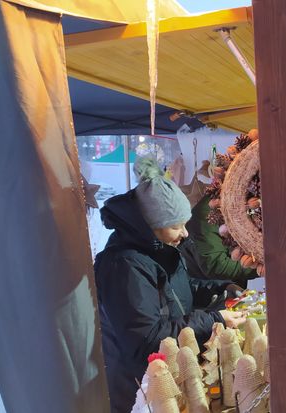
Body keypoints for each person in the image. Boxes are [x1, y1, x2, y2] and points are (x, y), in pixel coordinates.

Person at [94, 158, 247, 412]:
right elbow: (148, 339)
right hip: (142, 391)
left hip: (169, 374)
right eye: (176, 226)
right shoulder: (124, 266)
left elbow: (177, 291)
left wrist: (221, 289)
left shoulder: (157, 250)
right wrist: (213, 319)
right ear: (152, 226)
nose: (185, 233)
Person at [180, 194, 258, 288]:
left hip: (227, 284)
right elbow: (216, 265)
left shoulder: (240, 202)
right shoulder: (208, 214)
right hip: (212, 289)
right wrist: (260, 266)